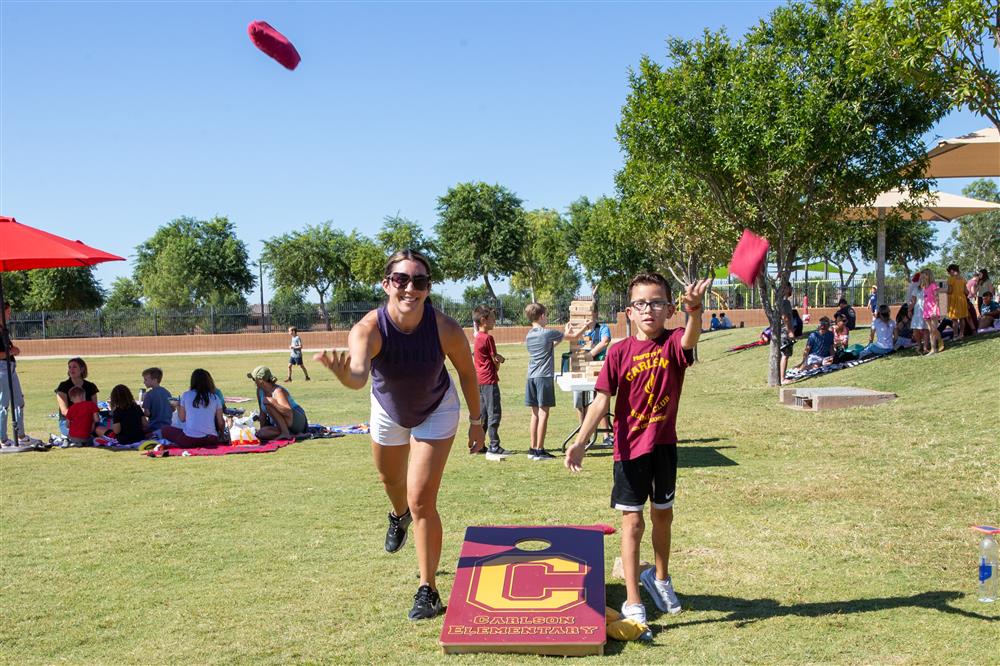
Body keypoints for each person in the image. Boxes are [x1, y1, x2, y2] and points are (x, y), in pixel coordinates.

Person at [313, 249, 484, 621]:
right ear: (387, 284)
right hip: (388, 411)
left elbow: (468, 374)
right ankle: (397, 515)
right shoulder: (368, 329)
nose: (410, 288)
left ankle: (428, 590)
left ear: (428, 288)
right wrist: (346, 377)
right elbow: (359, 374)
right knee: (390, 479)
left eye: (419, 281)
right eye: (402, 280)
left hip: (437, 410)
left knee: (422, 498)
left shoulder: (444, 328)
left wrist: (476, 420)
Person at [566, 272, 712, 626]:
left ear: (670, 309)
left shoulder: (675, 342)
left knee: (664, 516)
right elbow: (602, 401)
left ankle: (659, 578)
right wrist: (581, 441)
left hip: (664, 447)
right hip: (629, 451)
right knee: (632, 523)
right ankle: (633, 598)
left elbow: (691, 338)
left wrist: (695, 311)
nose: (649, 309)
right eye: (641, 304)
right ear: (629, 312)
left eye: (657, 302)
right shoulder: (618, 353)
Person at [524, 302, 583, 461]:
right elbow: (574, 337)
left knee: (535, 414)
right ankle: (540, 450)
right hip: (544, 377)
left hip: (531, 377)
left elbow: (550, 346)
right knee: (544, 413)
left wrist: (564, 333)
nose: (547, 318)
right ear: (542, 316)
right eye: (546, 315)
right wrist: (586, 326)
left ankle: (532, 448)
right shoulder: (547, 333)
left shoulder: (529, 335)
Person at [0, 301, 40, 447]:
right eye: (8, 312)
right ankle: (3, 439)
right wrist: (10, 352)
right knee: (3, 404)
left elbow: (8, 347)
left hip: (11, 368)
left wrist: (12, 349)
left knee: (19, 402)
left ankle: (21, 435)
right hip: (2, 369)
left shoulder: (4, 330)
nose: (9, 315)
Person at [472, 305, 508, 461]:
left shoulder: (477, 337)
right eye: (492, 319)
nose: (494, 322)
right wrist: (499, 362)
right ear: (483, 320)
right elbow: (494, 360)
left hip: (479, 379)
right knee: (494, 413)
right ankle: (494, 445)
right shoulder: (488, 338)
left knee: (484, 414)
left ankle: (479, 444)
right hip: (490, 379)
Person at [574, 304, 612, 448]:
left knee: (600, 401)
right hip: (581, 370)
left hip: (598, 370)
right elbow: (573, 343)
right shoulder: (579, 329)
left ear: (595, 314)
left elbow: (605, 341)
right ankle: (584, 436)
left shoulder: (602, 328)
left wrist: (591, 354)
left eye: (590, 314)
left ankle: (606, 435)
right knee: (580, 401)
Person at [161, 369, 224, 447]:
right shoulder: (215, 397)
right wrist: (222, 434)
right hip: (211, 439)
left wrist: (177, 405)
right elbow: (220, 422)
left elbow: (182, 418)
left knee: (165, 429)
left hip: (190, 439)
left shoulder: (186, 395)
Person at [249, 366, 308, 441]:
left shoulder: (278, 391)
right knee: (261, 433)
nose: (253, 381)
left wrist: (273, 402)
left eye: (254, 379)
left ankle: (286, 433)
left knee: (268, 404)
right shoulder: (259, 391)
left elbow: (288, 412)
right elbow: (262, 413)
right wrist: (262, 429)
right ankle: (292, 434)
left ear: (261, 380)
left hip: (296, 421)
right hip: (280, 424)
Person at [54, 357, 99, 437]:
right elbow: (64, 411)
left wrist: (89, 421)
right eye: (69, 367)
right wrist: (80, 420)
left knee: (101, 430)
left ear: (82, 369)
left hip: (88, 420)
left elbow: (95, 408)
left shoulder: (90, 386)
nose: (71, 369)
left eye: (74, 367)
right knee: (78, 433)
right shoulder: (63, 386)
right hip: (68, 421)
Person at [141, 367, 173, 435]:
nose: (144, 382)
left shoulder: (149, 394)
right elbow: (173, 408)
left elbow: (147, 413)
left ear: (155, 380)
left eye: (146, 379)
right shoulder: (167, 392)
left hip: (154, 428)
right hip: (167, 427)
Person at [945, 264, 972, 340]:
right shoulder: (963, 279)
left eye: (949, 272)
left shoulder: (951, 279)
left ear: (952, 271)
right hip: (962, 300)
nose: (949, 274)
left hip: (954, 300)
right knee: (962, 318)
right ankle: (961, 334)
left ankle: (955, 335)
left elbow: (950, 291)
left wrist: (943, 292)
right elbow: (966, 292)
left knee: (954, 319)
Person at [921, 269, 945, 354]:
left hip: (933, 309)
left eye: (925, 275)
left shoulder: (933, 285)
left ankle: (934, 347)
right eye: (923, 275)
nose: (924, 277)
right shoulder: (923, 287)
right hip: (926, 310)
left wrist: (935, 309)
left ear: (929, 275)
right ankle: (935, 346)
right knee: (930, 330)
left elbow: (937, 299)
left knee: (934, 329)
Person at [906, 273, 927, 354]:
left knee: (925, 329)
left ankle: (925, 347)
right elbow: (913, 302)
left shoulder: (928, 288)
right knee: (915, 330)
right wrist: (909, 310)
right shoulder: (916, 289)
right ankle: (919, 345)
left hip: (926, 311)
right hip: (917, 312)